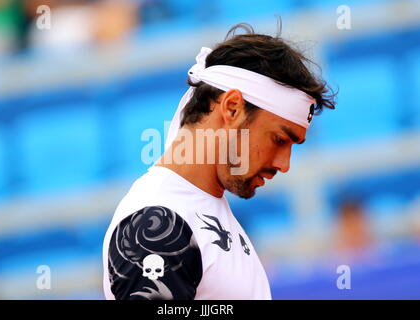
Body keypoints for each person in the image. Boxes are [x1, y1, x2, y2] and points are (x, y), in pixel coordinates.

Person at [102, 23, 336, 300]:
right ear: (232, 107)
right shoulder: (158, 222)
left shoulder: (200, 210)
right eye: (279, 139)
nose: (284, 164)